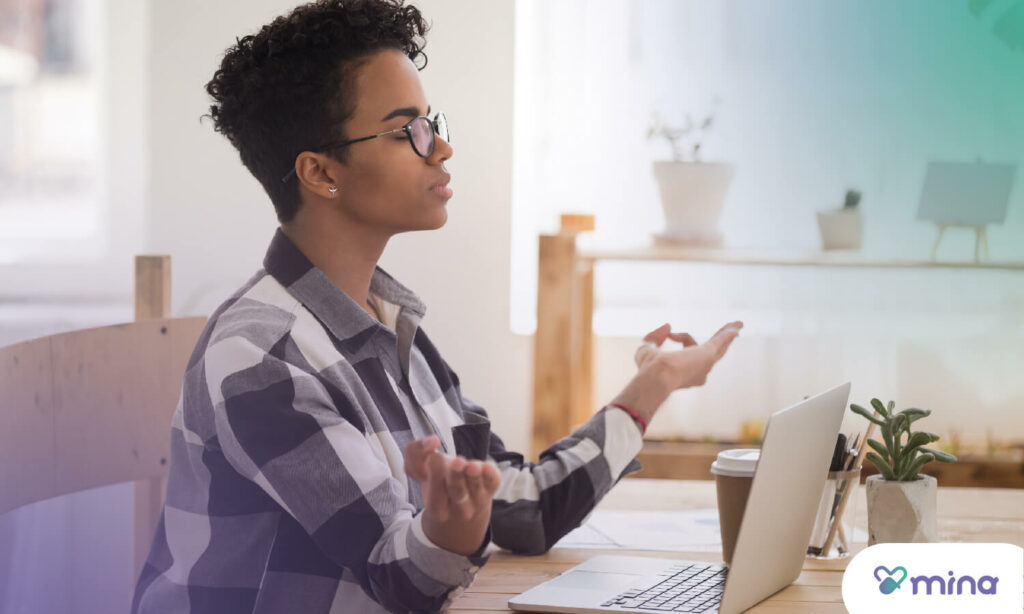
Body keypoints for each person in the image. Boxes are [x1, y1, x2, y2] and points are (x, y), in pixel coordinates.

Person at [130, 1, 743, 612]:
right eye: (408, 131)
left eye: (432, 122)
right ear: (320, 173)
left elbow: (526, 506)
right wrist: (448, 532)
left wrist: (653, 383)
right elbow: (401, 576)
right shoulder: (262, 356)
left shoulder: (388, 324)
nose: (441, 148)